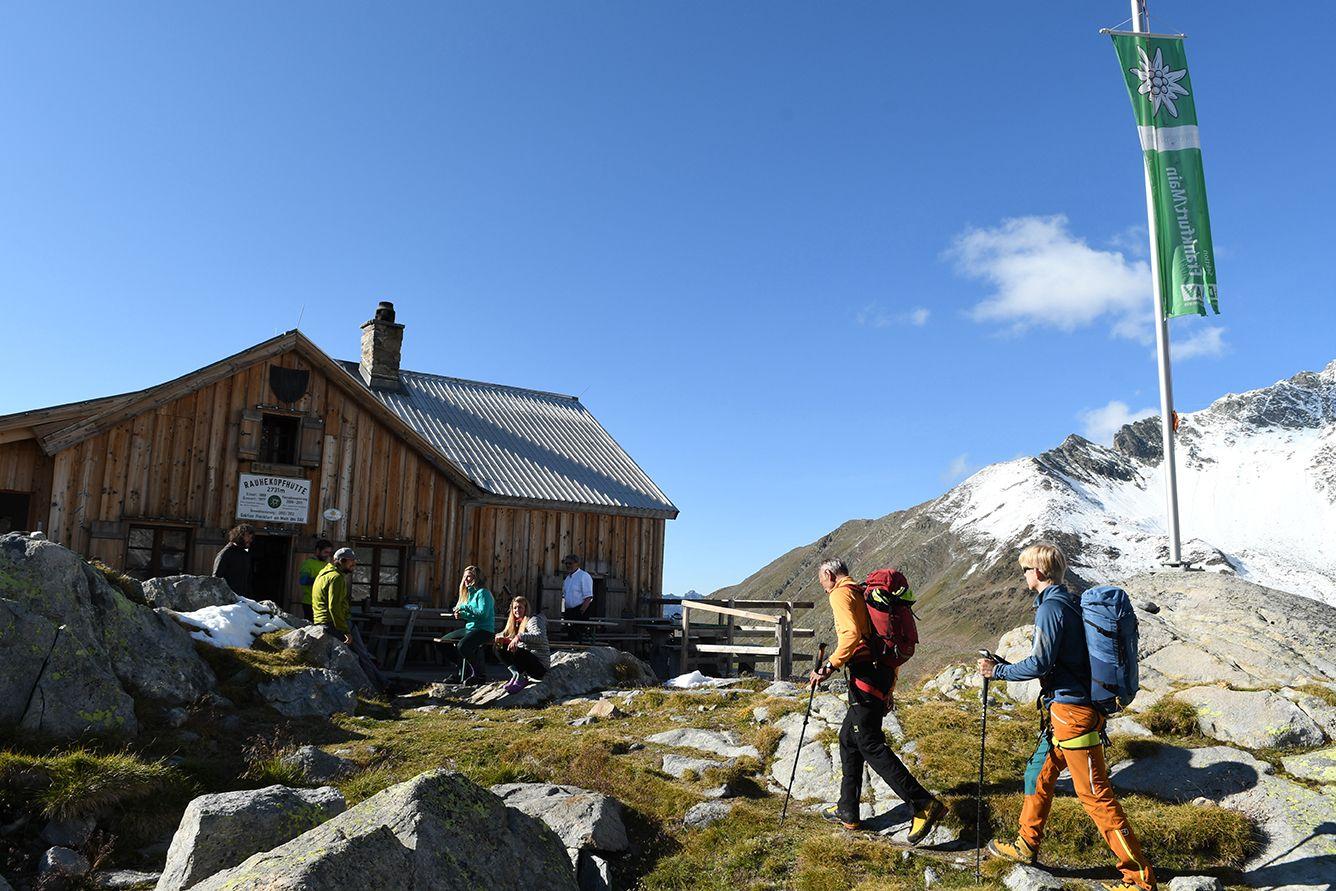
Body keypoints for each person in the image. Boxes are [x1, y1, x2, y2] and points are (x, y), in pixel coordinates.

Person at [979, 543, 1156, 891]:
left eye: (1026, 570)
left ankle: (1139, 878)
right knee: (1037, 774)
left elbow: (1040, 663)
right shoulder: (1068, 602)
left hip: (1072, 713)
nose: (1025, 576)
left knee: (1094, 795)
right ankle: (1025, 845)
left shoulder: (1051, 609)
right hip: (1061, 712)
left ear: (1040, 573)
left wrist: (997, 673)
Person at [809, 558, 946, 842]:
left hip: (865, 678)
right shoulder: (862, 592)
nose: (822, 586)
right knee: (849, 738)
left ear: (828, 574)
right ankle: (847, 809)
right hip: (879, 675)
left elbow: (851, 635)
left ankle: (923, 804)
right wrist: (890, 688)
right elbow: (883, 643)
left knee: (869, 742)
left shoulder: (840, 593)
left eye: (821, 580)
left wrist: (828, 667)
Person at [311, 547, 388, 691]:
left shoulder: (323, 573)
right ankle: (379, 687)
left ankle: (381, 682)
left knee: (359, 655)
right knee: (363, 655)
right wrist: (345, 631)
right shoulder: (336, 578)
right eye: (351, 563)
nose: (354, 566)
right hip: (335, 623)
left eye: (354, 562)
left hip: (321, 621)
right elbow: (335, 608)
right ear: (340, 561)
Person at [441, 565, 495, 685]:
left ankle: (478, 674)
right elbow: (473, 615)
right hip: (470, 628)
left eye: (469, 576)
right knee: (442, 642)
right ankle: (462, 670)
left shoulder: (483, 593)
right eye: (465, 576)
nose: (466, 579)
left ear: (477, 578)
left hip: (484, 630)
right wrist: (462, 615)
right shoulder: (469, 594)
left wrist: (465, 607)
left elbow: (483, 614)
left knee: (463, 646)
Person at [494, 595, 550, 693]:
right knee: (498, 646)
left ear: (526, 609)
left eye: (520, 607)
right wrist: (501, 638)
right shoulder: (515, 623)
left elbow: (539, 636)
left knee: (519, 652)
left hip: (539, 666)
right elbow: (504, 634)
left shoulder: (533, 620)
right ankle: (516, 674)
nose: (517, 610)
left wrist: (519, 637)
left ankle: (522, 679)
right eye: (515, 608)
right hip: (526, 664)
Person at [212, 524, 254, 597]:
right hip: (227, 598)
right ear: (240, 536)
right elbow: (216, 577)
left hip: (242, 597)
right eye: (248, 537)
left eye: (251, 537)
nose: (250, 540)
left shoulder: (245, 554)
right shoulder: (226, 553)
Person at [297, 538, 334, 622]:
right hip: (310, 602)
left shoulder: (328, 565)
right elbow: (303, 580)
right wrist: (321, 580)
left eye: (329, 553)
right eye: (325, 552)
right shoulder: (308, 563)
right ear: (317, 551)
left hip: (324, 604)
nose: (327, 555)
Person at [561, 554, 594, 642]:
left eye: (570, 563)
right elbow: (564, 597)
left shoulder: (584, 576)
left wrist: (581, 612)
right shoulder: (567, 579)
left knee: (578, 637)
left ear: (577, 564)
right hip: (569, 612)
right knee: (570, 636)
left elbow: (588, 597)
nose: (568, 565)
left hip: (580, 611)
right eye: (566, 563)